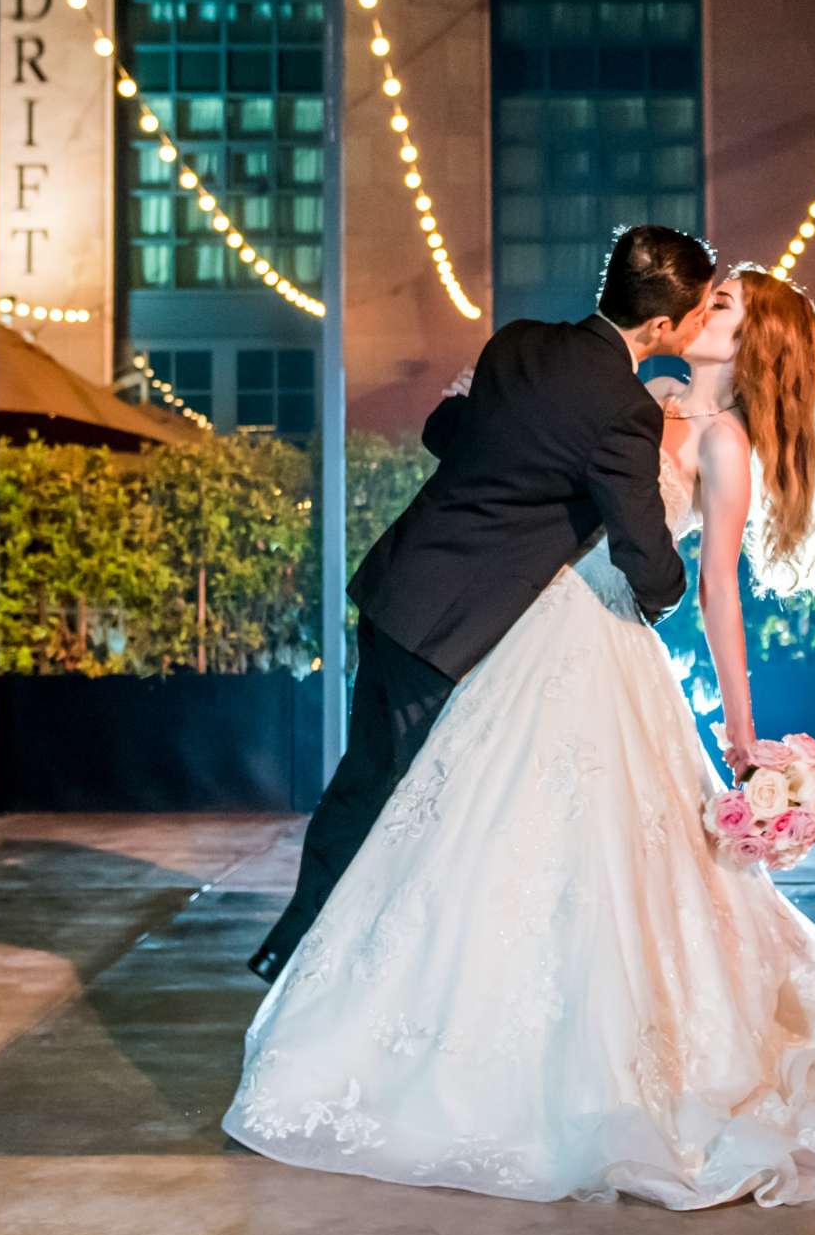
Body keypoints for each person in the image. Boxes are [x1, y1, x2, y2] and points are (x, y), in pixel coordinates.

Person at [223, 260, 815, 1208]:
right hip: (518, 635)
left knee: (612, 867)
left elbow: (713, 594)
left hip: (611, 654)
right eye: (709, 296)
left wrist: (745, 737)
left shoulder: (724, 444)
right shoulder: (621, 389)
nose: (709, 306)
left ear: (753, 343)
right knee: (467, 838)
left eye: (729, 305)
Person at [246, 224, 718, 984]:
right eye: (697, 313)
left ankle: (298, 943)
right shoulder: (623, 408)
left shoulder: (519, 342)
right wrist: (664, 600)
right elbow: (639, 542)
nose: (701, 324)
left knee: (367, 779)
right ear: (661, 327)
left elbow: (457, 429)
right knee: (408, 798)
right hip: (448, 625)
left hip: (400, 585)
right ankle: (316, 964)